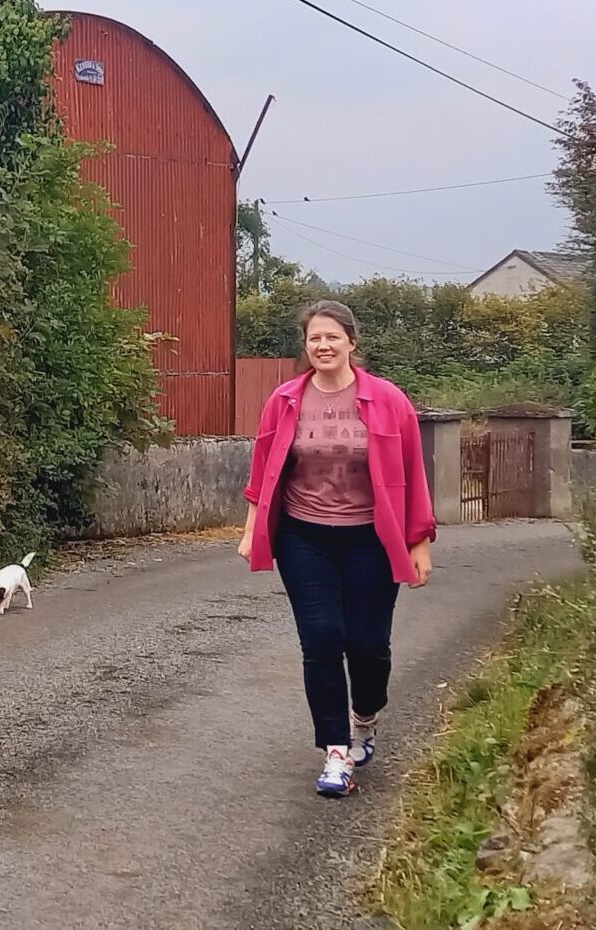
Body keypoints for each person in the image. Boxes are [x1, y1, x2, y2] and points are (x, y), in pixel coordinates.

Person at [238, 300, 436, 798]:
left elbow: (413, 473)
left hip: (371, 536)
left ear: (352, 341)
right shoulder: (284, 400)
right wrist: (251, 529)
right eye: (314, 339)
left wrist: (419, 541)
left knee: (369, 646)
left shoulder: (389, 400)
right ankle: (336, 751)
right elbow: (264, 474)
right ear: (306, 347)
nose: (323, 346)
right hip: (304, 538)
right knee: (322, 640)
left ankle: (365, 716)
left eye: (332, 337)